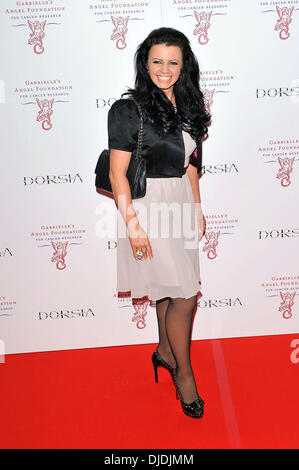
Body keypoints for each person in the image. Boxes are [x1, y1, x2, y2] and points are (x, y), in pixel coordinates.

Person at [108, 27, 211, 418]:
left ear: (184, 66)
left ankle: (165, 352)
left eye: (173, 62)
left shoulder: (189, 106)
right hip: (148, 209)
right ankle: (184, 374)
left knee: (171, 287)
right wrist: (133, 227)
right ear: (144, 63)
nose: (164, 69)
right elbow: (119, 174)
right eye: (156, 61)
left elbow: (191, 166)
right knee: (184, 294)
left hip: (181, 204)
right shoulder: (127, 109)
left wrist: (197, 208)